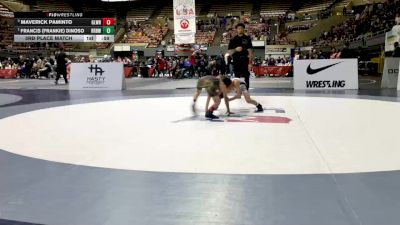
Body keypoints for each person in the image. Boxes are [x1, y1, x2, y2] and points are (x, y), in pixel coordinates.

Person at [228, 23, 254, 89]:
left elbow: (250, 51)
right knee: (237, 76)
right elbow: (229, 52)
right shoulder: (233, 39)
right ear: (236, 29)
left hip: (245, 59)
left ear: (243, 29)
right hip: (236, 60)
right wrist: (235, 49)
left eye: (241, 28)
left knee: (247, 76)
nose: (240, 30)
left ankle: (246, 90)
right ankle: (238, 90)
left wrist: (250, 63)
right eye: (239, 28)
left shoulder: (247, 38)